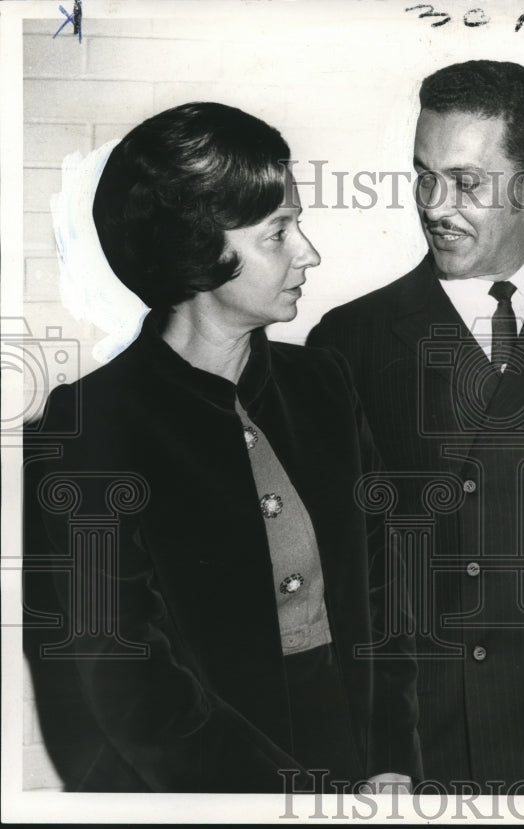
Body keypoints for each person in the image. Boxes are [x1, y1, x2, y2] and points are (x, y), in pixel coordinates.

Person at [22, 102, 420, 793]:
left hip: (357, 773)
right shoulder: (86, 426)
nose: (310, 253)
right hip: (200, 786)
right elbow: (128, 678)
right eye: (278, 233)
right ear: (201, 250)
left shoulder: (323, 384)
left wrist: (391, 760)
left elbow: (385, 594)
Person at [307, 60, 524, 794]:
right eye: (423, 176)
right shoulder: (350, 339)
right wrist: (377, 750)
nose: (436, 205)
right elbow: (340, 578)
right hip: (427, 749)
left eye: (466, 182)